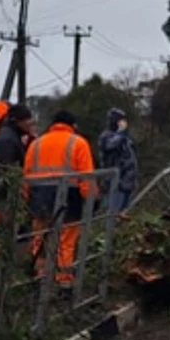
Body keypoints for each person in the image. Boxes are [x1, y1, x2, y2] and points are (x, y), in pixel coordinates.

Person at [25, 109, 98, 287]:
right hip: (69, 198)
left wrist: (27, 198)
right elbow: (86, 177)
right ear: (72, 126)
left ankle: (40, 275)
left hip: (39, 197)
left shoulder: (36, 144)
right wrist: (91, 200)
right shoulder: (78, 143)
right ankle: (64, 281)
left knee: (40, 237)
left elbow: (26, 174)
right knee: (66, 241)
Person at [97, 108, 140, 215]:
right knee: (112, 214)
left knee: (123, 215)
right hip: (115, 182)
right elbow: (110, 145)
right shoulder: (106, 136)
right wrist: (121, 132)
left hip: (128, 181)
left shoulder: (126, 137)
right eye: (120, 120)